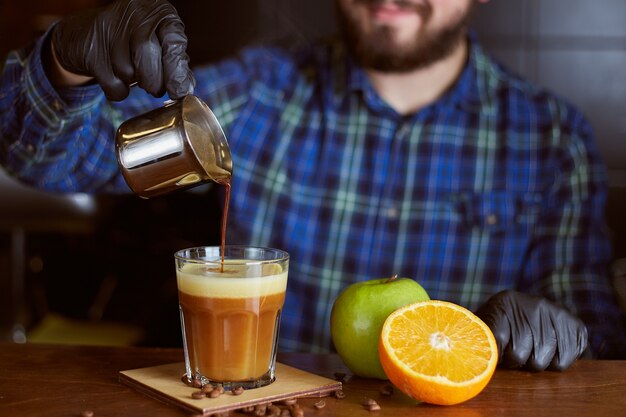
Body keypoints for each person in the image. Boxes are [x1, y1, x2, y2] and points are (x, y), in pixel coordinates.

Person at [1, 0, 625, 370]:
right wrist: (65, 62)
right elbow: (52, 163)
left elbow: (595, 341)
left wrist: (560, 337)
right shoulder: (265, 88)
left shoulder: (550, 138)